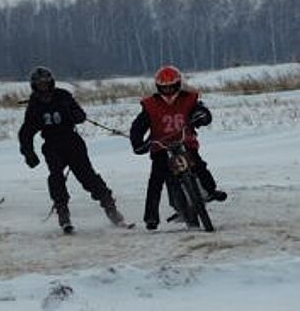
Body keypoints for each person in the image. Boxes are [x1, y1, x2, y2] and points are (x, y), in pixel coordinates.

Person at [18, 66, 127, 233]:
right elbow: (26, 131)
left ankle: (110, 207)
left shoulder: (63, 96)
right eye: (39, 85)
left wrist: (76, 115)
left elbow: (80, 114)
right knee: (56, 177)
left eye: (45, 84)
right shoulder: (34, 104)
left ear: (51, 83)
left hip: (72, 142)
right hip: (52, 146)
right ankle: (63, 212)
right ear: (34, 86)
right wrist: (28, 153)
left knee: (87, 177)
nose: (43, 87)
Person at [130, 65, 228, 230]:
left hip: (185, 142)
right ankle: (151, 217)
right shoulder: (150, 105)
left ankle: (211, 190)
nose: (168, 91)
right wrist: (138, 144)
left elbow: (204, 113)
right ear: (158, 87)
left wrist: (202, 117)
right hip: (160, 146)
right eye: (164, 88)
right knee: (156, 179)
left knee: (199, 165)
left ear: (178, 85)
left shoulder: (189, 99)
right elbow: (137, 127)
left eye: (171, 87)